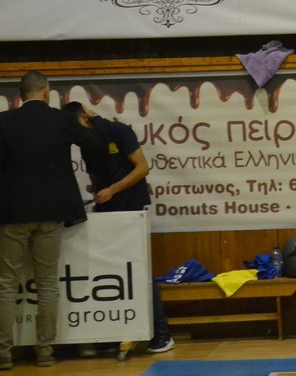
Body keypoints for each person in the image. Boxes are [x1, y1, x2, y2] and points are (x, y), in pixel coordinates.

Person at [0, 72, 103, 370]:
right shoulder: (62, 120)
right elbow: (94, 143)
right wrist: (92, 121)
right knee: (47, 284)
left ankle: (4, 354)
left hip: (12, 212)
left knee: (6, 284)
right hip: (52, 211)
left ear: (20, 95)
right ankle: (45, 352)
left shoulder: (4, 122)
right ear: (46, 92)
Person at [63, 101, 174, 355]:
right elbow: (97, 177)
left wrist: (113, 189)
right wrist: (97, 191)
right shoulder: (86, 144)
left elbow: (142, 168)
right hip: (108, 212)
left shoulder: (118, 131)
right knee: (112, 272)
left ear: (85, 118)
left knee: (139, 270)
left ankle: (162, 332)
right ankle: (115, 333)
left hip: (132, 208)